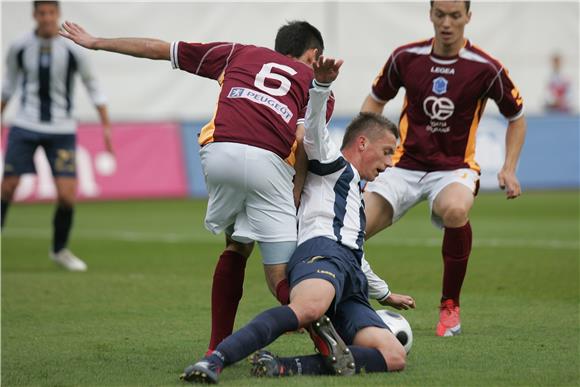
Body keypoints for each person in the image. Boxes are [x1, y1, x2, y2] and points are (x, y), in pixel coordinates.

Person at [60, 19, 338, 352]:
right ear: (313, 54)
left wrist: (97, 41)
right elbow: (303, 138)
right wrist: (298, 187)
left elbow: (161, 49)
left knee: (236, 246)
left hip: (220, 152)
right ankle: (327, 342)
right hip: (270, 164)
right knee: (282, 276)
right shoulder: (316, 83)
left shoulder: (238, 52)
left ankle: (214, 349)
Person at [181, 56, 412, 384]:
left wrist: (385, 293)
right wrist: (320, 87)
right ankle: (216, 359)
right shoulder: (332, 165)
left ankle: (283, 366)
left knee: (393, 356)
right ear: (362, 143)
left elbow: (355, 253)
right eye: (387, 151)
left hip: (350, 276)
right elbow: (313, 133)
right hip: (322, 255)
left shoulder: (354, 196)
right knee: (307, 310)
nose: (389, 163)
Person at [360, 0, 526, 337]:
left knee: (454, 209)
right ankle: (335, 303)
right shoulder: (405, 58)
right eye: (440, 15)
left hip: (454, 168)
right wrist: (367, 148)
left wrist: (509, 167)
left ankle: (450, 306)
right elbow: (375, 100)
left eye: (454, 15)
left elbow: (516, 118)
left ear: (468, 17)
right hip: (403, 164)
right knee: (352, 228)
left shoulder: (485, 67)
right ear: (430, 15)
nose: (447, 23)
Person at [1, 1, 112, 272]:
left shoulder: (73, 50)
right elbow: (9, 86)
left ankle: (59, 250)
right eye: (42, 13)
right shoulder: (19, 47)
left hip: (61, 130)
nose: (47, 17)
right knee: (8, 187)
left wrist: (106, 126)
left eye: (51, 13)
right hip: (25, 126)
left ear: (57, 14)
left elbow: (93, 87)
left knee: (67, 196)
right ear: (35, 15)